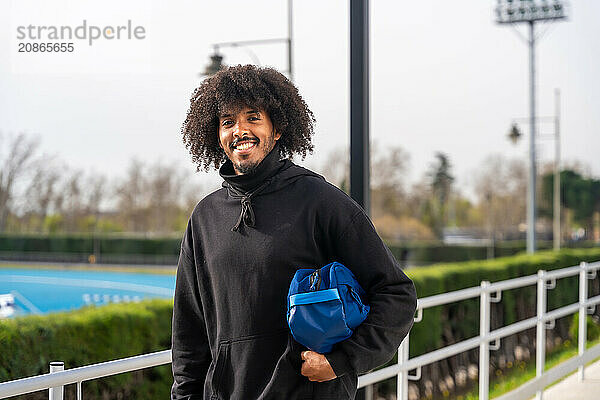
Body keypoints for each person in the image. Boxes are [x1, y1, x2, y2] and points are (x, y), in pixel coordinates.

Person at [171, 64, 417, 400]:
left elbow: (396, 293)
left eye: (253, 118)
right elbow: (189, 331)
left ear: (277, 129)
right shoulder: (204, 218)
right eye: (228, 122)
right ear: (217, 135)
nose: (240, 130)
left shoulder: (320, 200)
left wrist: (342, 361)